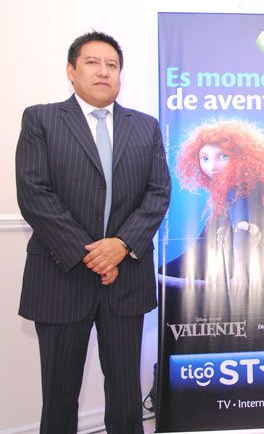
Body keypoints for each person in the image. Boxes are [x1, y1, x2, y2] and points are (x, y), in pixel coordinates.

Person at [15, 31, 171, 434]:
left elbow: (158, 193)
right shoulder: (41, 119)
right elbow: (33, 193)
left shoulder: (146, 126)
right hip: (60, 278)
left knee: (125, 395)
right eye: (93, 63)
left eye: (112, 65)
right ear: (71, 71)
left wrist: (121, 245)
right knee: (59, 397)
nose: (104, 71)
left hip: (126, 278)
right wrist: (93, 254)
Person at [161, 120, 264, 291]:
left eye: (223, 157)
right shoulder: (237, 188)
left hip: (240, 276)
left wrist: (240, 274)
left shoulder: (239, 188)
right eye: (205, 158)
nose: (212, 167)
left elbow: (242, 229)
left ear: (240, 158)